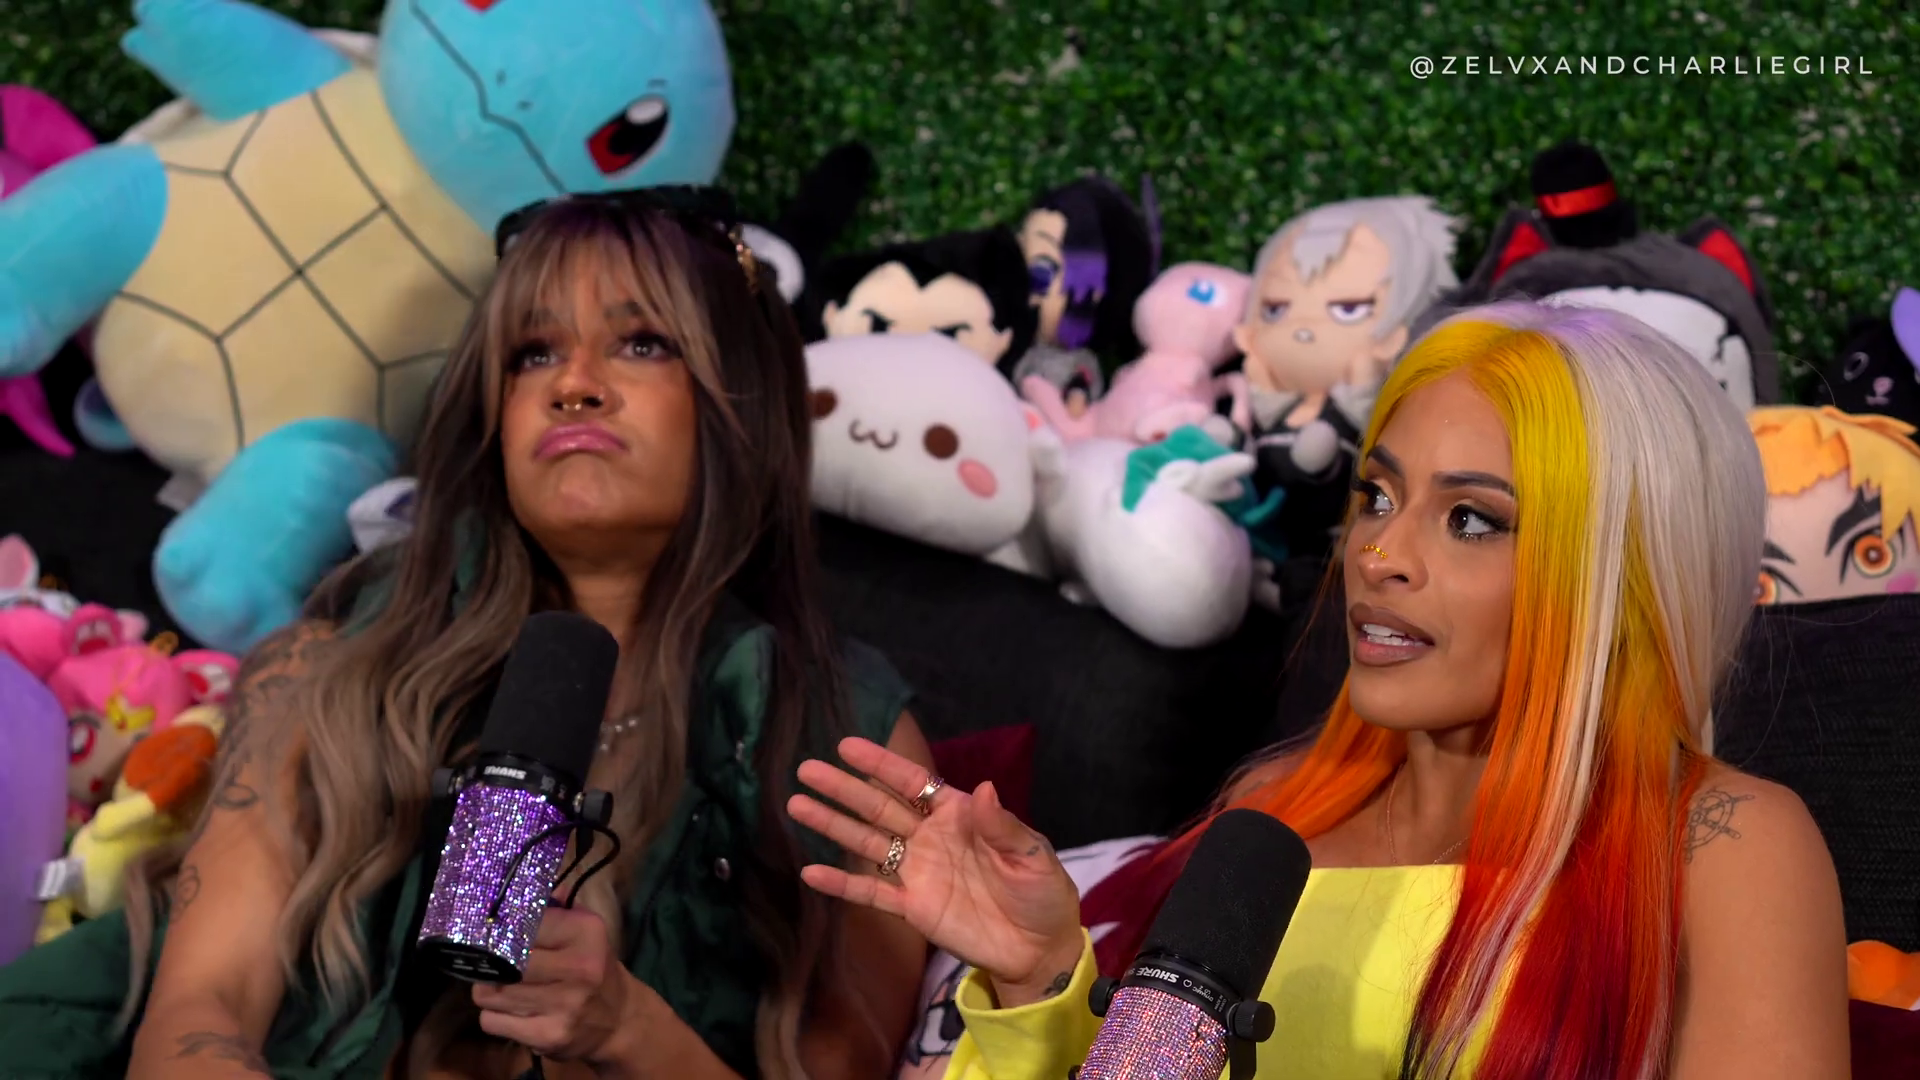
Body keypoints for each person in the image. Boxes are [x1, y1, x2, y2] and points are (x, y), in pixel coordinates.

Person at [0, 188, 935, 1080]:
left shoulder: (850, 744)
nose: (574, 383)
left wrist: (627, 1029)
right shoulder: (329, 669)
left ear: (742, 399)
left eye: (642, 342)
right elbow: (200, 1014)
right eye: (533, 352)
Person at [787, 301, 1853, 1079]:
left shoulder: (1727, 847)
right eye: (1378, 496)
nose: (1378, 554)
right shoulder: (1268, 820)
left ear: (1625, 576)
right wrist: (1036, 982)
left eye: (1470, 519)